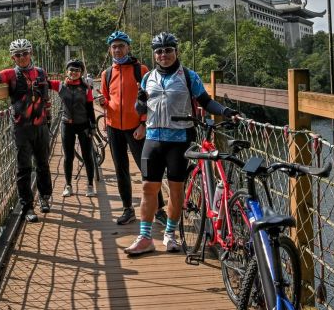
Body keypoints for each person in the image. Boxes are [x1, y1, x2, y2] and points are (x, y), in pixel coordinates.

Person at [124, 32, 240, 255]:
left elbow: (205, 101)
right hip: (153, 139)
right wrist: (140, 100)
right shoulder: (148, 78)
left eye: (168, 50)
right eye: (159, 51)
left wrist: (226, 112)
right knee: (149, 188)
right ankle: (145, 238)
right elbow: (140, 111)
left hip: (179, 141)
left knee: (176, 189)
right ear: (154, 54)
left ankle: (170, 235)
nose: (163, 54)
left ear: (176, 52)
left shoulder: (188, 76)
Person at [99, 30, 166, 226]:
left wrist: (143, 123)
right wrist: (104, 105)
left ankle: (159, 209)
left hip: (136, 127)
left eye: (121, 46)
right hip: (114, 127)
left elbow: (150, 100)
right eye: (114, 47)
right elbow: (107, 99)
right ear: (110, 50)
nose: (117, 50)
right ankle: (128, 209)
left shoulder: (141, 70)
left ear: (128, 47)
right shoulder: (107, 73)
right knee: (121, 169)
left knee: (148, 168)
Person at [0, 39, 54, 224]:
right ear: (12, 57)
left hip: (41, 126)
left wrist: (49, 119)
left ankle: (45, 197)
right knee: (24, 168)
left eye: (25, 53)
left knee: (43, 163)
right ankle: (27, 206)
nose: (22, 57)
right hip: (22, 128)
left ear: (31, 53)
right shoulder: (10, 74)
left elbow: (46, 98)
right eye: (18, 54)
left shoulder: (40, 72)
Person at [49, 59, 97, 197]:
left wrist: (92, 126)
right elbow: (42, 82)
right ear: (66, 71)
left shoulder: (86, 88)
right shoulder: (60, 86)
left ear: (81, 73)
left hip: (83, 125)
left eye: (77, 70)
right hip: (67, 124)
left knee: (87, 156)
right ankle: (68, 185)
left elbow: (90, 108)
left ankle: (89, 185)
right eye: (71, 70)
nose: (74, 72)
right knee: (68, 156)